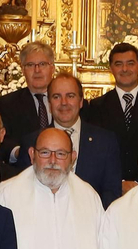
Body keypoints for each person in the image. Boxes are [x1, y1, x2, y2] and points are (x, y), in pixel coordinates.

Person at [13, 72, 124, 207]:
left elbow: (111, 192)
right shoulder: (31, 141)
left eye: (70, 96)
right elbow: (24, 189)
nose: (64, 103)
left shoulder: (105, 141)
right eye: (56, 97)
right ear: (49, 103)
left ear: (81, 101)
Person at [83, 42, 138, 185]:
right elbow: (95, 151)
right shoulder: (97, 106)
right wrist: (119, 182)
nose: (125, 69)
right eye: (118, 64)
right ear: (111, 68)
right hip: (110, 185)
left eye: (130, 63)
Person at [0, 40, 57, 164]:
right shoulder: (8, 103)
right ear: (23, 70)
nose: (37, 70)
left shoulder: (65, 100)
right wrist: (19, 152)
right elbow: (2, 140)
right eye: (30, 65)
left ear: (52, 68)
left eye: (42, 64)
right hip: (23, 169)